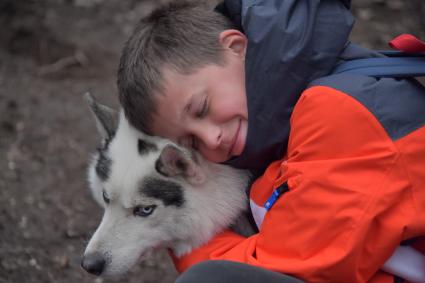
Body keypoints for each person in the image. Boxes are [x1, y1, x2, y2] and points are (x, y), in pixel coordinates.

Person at [117, 0, 425, 282]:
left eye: (202, 108)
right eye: (192, 143)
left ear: (236, 47)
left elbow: (293, 267)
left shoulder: (338, 112)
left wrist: (188, 239)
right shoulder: (277, 129)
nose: (212, 139)